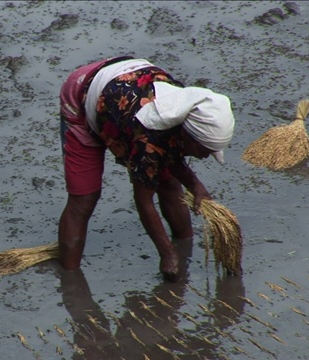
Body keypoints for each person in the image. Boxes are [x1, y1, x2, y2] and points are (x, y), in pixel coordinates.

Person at [58, 56, 235, 282]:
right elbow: (143, 201)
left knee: (169, 183)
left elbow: (171, 151)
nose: (204, 157)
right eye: (203, 150)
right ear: (186, 135)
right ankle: (70, 282)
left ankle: (185, 250)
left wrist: (194, 185)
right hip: (82, 94)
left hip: (124, 84)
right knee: (84, 200)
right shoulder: (147, 137)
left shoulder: (182, 107)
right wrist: (167, 254)